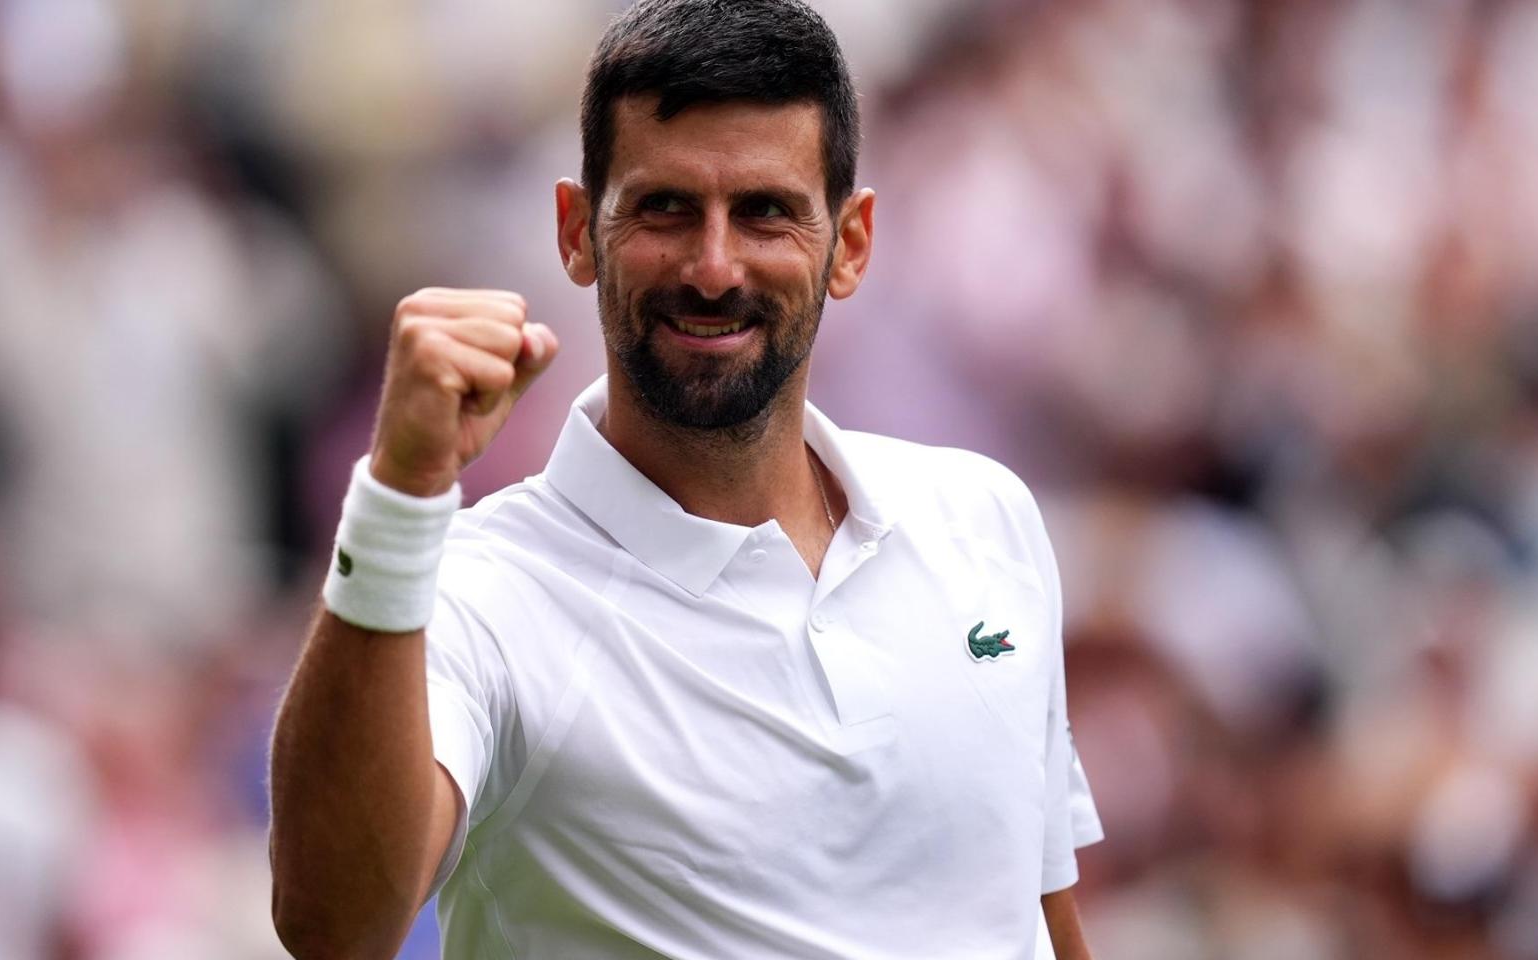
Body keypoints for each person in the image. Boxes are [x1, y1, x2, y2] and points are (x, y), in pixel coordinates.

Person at [268, 1, 1101, 957]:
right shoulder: (482, 592)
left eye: (765, 213)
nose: (714, 268)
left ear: (851, 243)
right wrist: (399, 498)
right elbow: (333, 923)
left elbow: (1036, 923)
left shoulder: (984, 516)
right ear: (577, 232)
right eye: (666, 208)